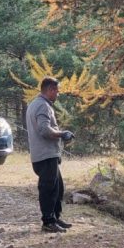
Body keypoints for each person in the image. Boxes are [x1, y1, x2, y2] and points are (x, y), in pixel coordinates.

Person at [26, 77, 75, 233]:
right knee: (49, 189)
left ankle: (55, 217)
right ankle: (48, 222)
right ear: (50, 90)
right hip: (45, 155)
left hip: (45, 154)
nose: (58, 94)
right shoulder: (42, 106)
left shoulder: (35, 104)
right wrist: (63, 134)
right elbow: (44, 129)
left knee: (58, 187)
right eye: (57, 91)